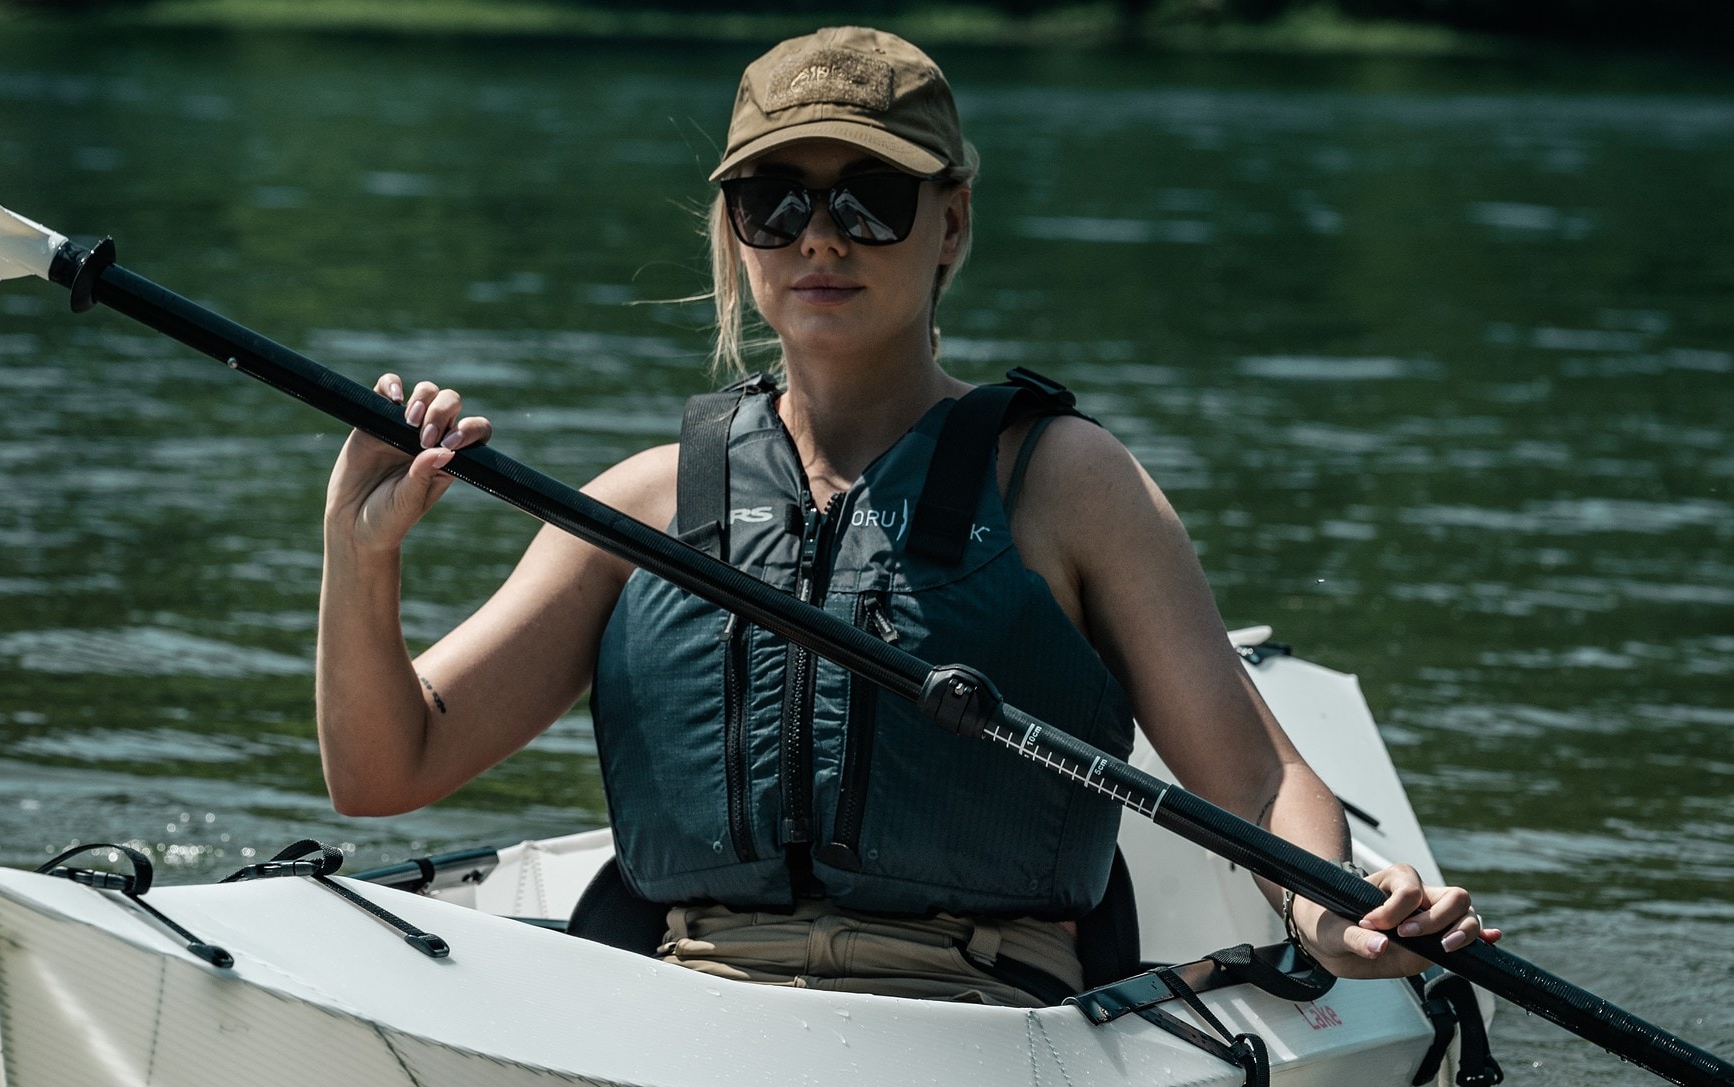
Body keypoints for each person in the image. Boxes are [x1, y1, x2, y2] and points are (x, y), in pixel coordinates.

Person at [316, 26, 1498, 1008]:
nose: (819, 237)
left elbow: (1251, 787)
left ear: (953, 221)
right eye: (773, 201)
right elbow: (386, 765)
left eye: (871, 198)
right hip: (686, 1006)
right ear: (734, 230)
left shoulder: (1069, 484)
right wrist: (359, 556)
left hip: (978, 1015)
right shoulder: (641, 503)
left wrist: (1331, 913)